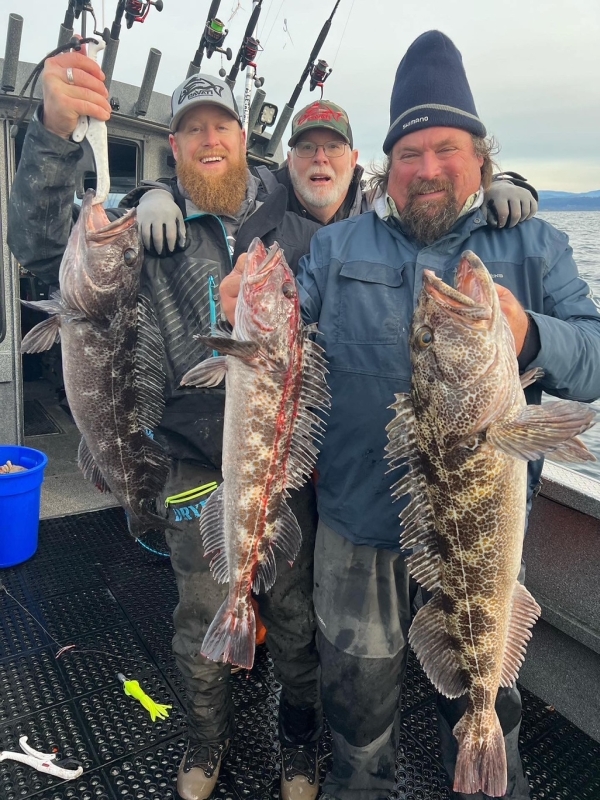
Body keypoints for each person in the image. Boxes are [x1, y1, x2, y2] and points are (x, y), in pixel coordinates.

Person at [219, 30, 600, 800]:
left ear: (481, 157)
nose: (428, 168)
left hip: (477, 540)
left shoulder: (534, 244)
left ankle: (489, 766)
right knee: (356, 715)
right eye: (410, 152)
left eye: (447, 148)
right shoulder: (337, 247)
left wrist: (531, 333)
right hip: (357, 531)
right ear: (386, 167)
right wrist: (235, 307)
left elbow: (594, 357)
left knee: (490, 705)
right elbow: (280, 333)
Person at [7, 59, 323, 800]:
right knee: (199, 617)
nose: (208, 139)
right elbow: (43, 244)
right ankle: (207, 739)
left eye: (221, 125)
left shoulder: (299, 227)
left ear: (243, 139)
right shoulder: (145, 229)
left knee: (297, 617)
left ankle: (300, 741)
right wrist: (54, 133)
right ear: (174, 147)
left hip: (279, 462)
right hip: (187, 463)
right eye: (191, 131)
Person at [135, 98, 538, 253]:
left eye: (333, 147)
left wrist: (499, 185)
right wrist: (154, 196)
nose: (320, 159)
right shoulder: (260, 194)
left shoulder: (380, 208)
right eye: (306, 148)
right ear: (289, 159)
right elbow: (209, 182)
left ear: (353, 158)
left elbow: (435, 190)